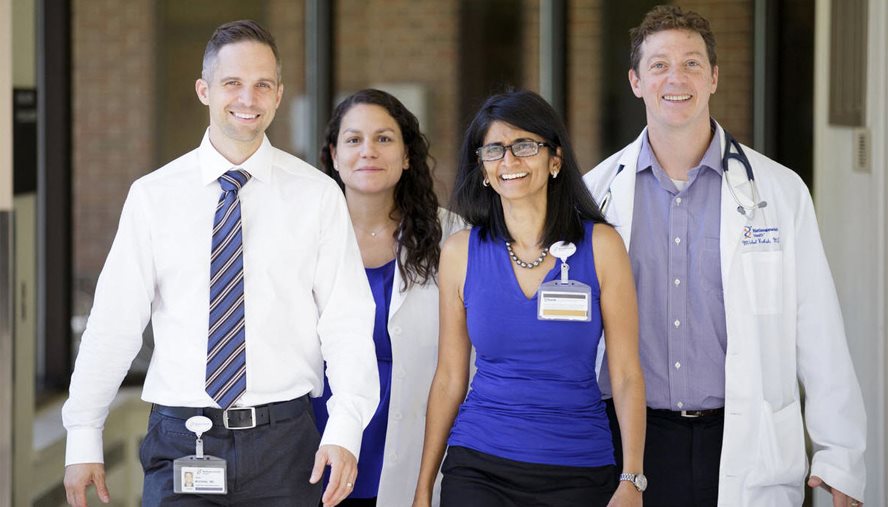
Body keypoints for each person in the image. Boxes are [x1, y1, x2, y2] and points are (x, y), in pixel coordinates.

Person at [62, 20, 379, 507]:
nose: (247, 99)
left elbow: (347, 323)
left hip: (286, 444)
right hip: (180, 438)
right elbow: (114, 323)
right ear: (204, 90)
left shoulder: (317, 196)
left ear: (278, 95)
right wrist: (84, 432)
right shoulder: (153, 196)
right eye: (233, 83)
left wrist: (345, 428)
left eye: (262, 85)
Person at [584, 5, 866, 506]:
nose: (676, 78)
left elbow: (817, 327)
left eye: (692, 63)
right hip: (627, 445)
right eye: (659, 65)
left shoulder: (780, 191)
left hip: (742, 439)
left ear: (714, 77)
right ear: (635, 81)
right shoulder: (595, 195)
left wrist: (839, 454)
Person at [414, 90, 646, 507]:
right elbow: (450, 376)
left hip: (578, 467)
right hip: (478, 463)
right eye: (494, 150)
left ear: (554, 159)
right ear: (482, 168)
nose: (509, 161)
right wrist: (423, 489)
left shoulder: (602, 246)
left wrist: (632, 478)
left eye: (524, 146)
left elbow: (626, 371)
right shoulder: (460, 252)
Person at [311, 88, 464, 506]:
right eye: (354, 140)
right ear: (334, 155)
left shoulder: (452, 237)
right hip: (318, 438)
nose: (368, 152)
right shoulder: (303, 238)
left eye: (384, 138)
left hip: (415, 441)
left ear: (407, 155)